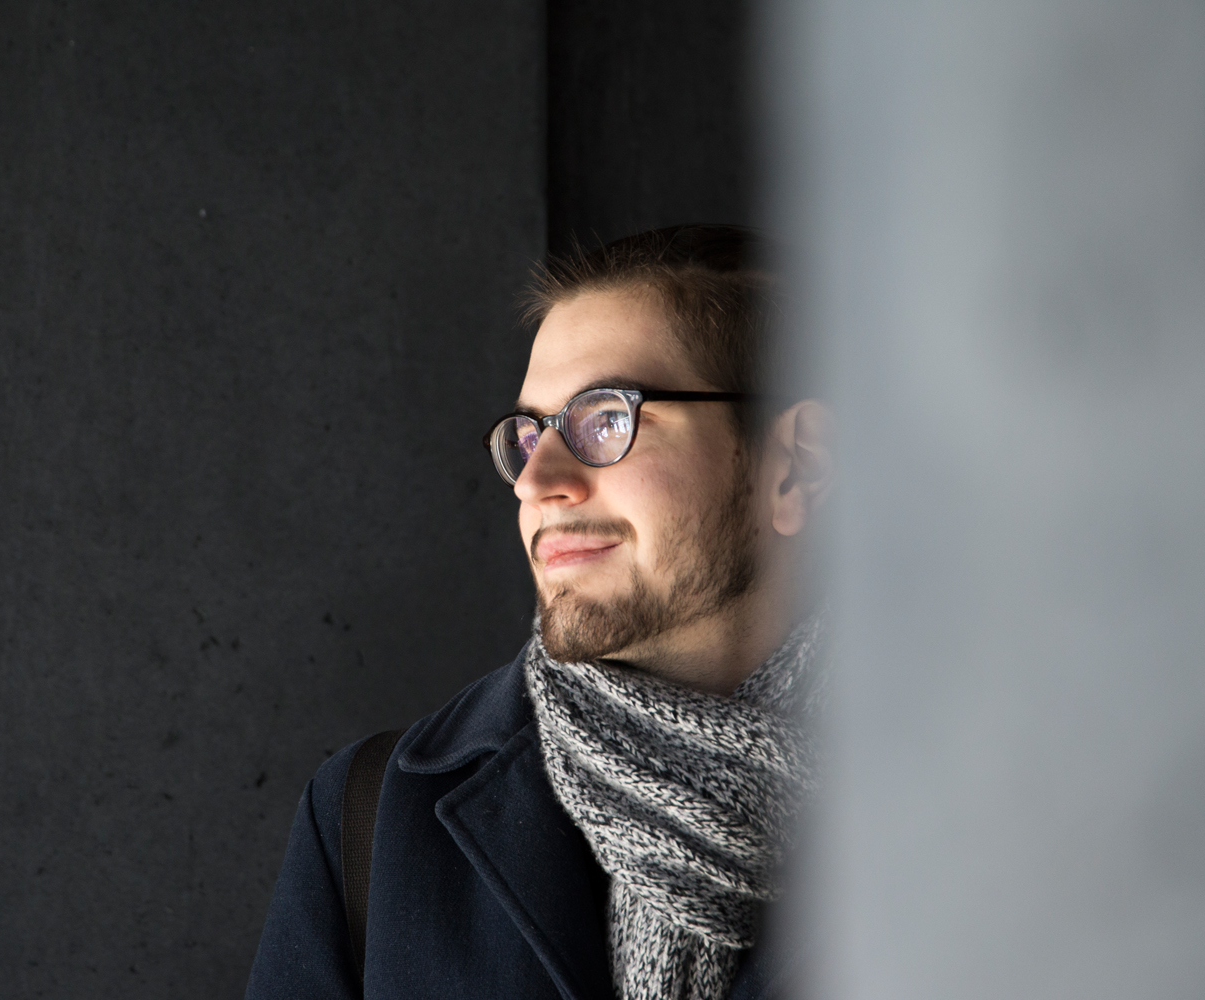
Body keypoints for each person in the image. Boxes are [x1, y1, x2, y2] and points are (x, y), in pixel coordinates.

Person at [245, 225, 833, 1000]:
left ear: (797, 468)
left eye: (607, 420)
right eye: (531, 434)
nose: (535, 482)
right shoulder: (372, 822)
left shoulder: (998, 825)